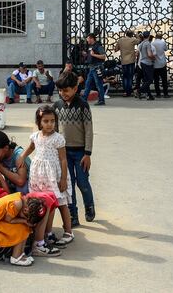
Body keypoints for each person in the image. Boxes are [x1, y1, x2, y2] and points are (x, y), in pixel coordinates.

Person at [20, 105, 74, 250]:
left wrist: (63, 179)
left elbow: (63, 159)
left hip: (54, 175)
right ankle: (47, 233)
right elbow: (31, 147)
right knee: (45, 203)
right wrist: (22, 156)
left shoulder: (58, 139)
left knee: (61, 203)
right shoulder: (36, 136)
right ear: (39, 122)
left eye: (52, 121)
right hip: (38, 175)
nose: (50, 124)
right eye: (46, 121)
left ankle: (68, 232)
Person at [54, 71, 95, 226]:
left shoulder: (83, 105)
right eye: (60, 90)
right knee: (68, 184)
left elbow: (89, 130)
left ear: (75, 89)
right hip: (64, 154)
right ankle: (73, 215)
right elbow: (55, 130)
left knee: (83, 183)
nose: (62, 93)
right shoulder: (57, 106)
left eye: (66, 90)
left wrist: (87, 153)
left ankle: (89, 206)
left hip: (80, 153)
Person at [0, 193, 47, 266]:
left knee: (25, 227)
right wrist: (25, 221)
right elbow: (9, 220)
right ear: (26, 210)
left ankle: (21, 253)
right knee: (22, 229)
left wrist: (25, 222)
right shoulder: (17, 204)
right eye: (27, 216)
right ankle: (16, 257)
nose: (26, 217)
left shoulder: (23, 200)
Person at [82, 33, 106, 106]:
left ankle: (101, 100)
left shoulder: (98, 46)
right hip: (91, 68)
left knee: (99, 84)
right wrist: (86, 55)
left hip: (97, 67)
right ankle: (84, 100)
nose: (87, 40)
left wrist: (93, 55)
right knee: (87, 84)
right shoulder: (90, 47)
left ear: (92, 38)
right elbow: (91, 56)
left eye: (88, 38)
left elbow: (103, 56)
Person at [114, 30, 138, 97]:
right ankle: (129, 92)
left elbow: (116, 49)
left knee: (125, 77)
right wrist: (135, 34)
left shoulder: (120, 40)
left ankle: (125, 91)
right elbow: (139, 40)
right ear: (131, 35)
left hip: (124, 61)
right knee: (130, 76)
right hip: (131, 61)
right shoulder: (133, 40)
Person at [137, 31, 155, 100]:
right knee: (150, 80)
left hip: (142, 63)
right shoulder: (147, 43)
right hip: (148, 63)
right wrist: (154, 58)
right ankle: (139, 90)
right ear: (149, 36)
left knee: (146, 80)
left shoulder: (141, 43)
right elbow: (149, 54)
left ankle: (149, 95)